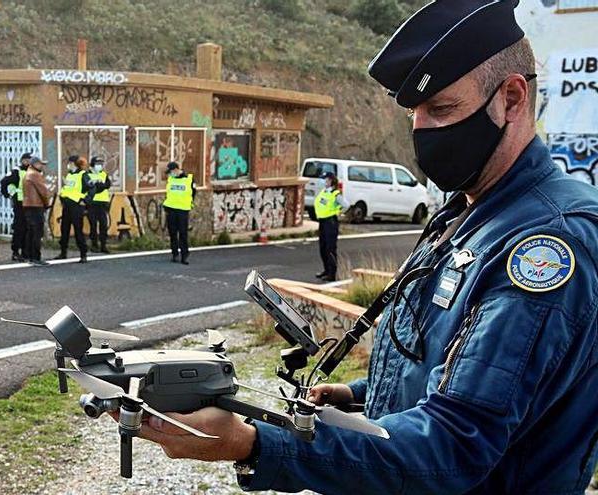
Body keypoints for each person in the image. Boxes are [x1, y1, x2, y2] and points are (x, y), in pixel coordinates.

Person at [127, 1, 598, 493]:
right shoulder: (468, 210)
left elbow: (455, 443)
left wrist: (254, 444)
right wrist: (358, 396)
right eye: (416, 114)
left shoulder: (546, 246)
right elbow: (453, 369)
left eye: (442, 109)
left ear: (513, 98)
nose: (423, 131)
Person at [55, 155, 92, 263]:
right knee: (64, 230)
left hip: (76, 206)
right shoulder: (69, 175)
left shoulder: (83, 175)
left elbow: (91, 188)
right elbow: (67, 189)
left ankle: (83, 254)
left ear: (74, 163)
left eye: (70, 163)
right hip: (67, 206)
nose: (68, 165)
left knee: (78, 231)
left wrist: (85, 200)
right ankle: (63, 252)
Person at [314, 172, 349, 282]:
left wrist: (338, 212)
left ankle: (332, 274)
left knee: (330, 248)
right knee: (323, 248)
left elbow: (346, 205)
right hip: (323, 222)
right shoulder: (324, 192)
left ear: (331, 181)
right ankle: (326, 270)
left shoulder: (335, 194)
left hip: (331, 222)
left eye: (326, 179)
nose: (324, 182)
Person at [163, 161, 196, 265]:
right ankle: (175, 254)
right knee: (172, 233)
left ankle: (184, 255)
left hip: (182, 210)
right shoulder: (171, 179)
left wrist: (188, 203)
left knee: (183, 234)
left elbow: (193, 193)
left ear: (176, 169)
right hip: (171, 209)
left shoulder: (189, 179)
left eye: (171, 171)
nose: (170, 174)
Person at [0, 152, 31, 261]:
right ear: (22, 160)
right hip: (19, 203)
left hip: (30, 203)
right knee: (19, 228)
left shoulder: (32, 171)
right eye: (26, 160)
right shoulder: (16, 171)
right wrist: (7, 194)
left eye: (30, 160)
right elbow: (4, 182)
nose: (28, 162)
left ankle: (26, 251)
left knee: (28, 228)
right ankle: (16, 251)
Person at [22, 156, 51, 266]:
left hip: (28, 205)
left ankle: (29, 256)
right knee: (37, 232)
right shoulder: (35, 175)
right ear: (34, 164)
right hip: (36, 205)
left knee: (30, 231)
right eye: (40, 164)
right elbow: (43, 191)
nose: (42, 166)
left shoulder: (27, 174)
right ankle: (36, 257)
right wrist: (47, 203)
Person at [87, 156, 112, 254]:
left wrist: (99, 185)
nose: (100, 166)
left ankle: (103, 245)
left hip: (102, 203)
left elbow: (107, 185)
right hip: (92, 203)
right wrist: (100, 186)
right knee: (93, 225)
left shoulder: (104, 174)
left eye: (101, 164)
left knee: (103, 225)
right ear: (92, 165)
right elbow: (92, 187)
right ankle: (94, 245)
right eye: (97, 164)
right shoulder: (88, 174)